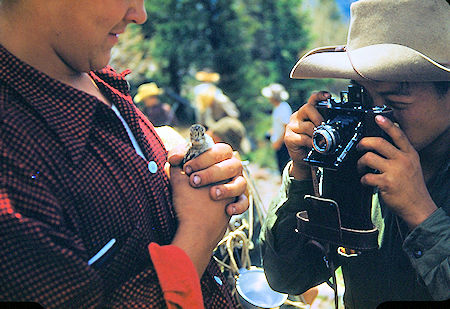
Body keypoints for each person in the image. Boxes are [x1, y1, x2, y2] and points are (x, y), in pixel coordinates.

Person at [0, 1, 248, 308]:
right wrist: (199, 234)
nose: (139, 15)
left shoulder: (95, 74)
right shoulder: (12, 169)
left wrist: (185, 159)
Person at [261, 0, 449, 308]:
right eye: (362, 94)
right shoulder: (356, 165)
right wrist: (302, 175)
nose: (374, 117)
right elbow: (288, 278)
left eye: (394, 98)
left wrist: (421, 212)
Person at [261, 83, 292, 175]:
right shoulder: (278, 108)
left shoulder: (283, 108)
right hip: (279, 142)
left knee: (284, 168)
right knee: (280, 167)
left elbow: (287, 127)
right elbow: (279, 125)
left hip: (283, 144)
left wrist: (278, 142)